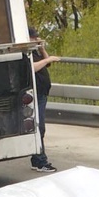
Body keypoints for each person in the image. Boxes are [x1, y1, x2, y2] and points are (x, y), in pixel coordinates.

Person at [29, 26, 60, 172]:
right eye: (33, 38)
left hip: (42, 93)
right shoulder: (25, 53)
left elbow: (47, 63)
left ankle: (37, 159)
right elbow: (32, 67)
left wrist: (42, 49)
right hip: (34, 94)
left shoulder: (35, 51)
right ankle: (41, 160)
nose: (35, 40)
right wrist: (49, 58)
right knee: (39, 127)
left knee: (40, 127)